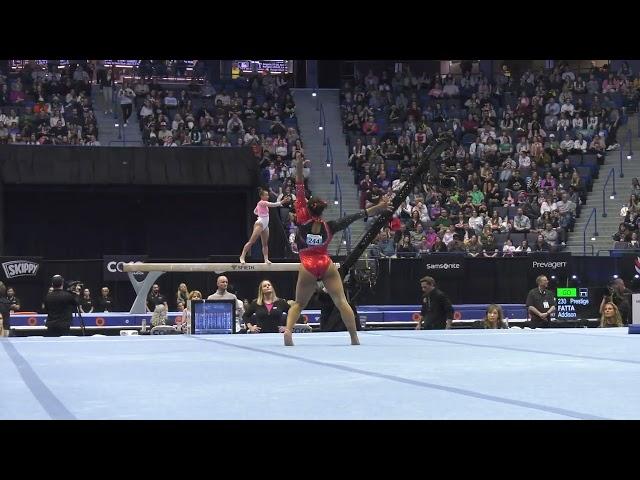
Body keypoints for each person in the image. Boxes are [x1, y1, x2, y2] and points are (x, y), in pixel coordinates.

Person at [283, 152, 392, 346]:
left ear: (308, 206)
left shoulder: (301, 216)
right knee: (341, 301)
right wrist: (380, 207)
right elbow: (357, 215)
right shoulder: (330, 226)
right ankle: (354, 337)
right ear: (322, 210)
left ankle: (289, 331)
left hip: (307, 264)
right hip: (325, 264)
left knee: (299, 303)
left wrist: (299, 164)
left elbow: (299, 185)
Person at [239, 187, 291, 264]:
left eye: (268, 195)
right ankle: (242, 256)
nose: (268, 196)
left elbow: (255, 211)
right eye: (266, 195)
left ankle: (266, 259)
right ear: (262, 196)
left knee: (265, 244)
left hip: (265, 225)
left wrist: (259, 213)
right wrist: (283, 201)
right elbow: (273, 205)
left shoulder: (262, 205)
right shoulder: (262, 203)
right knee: (252, 241)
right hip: (260, 223)